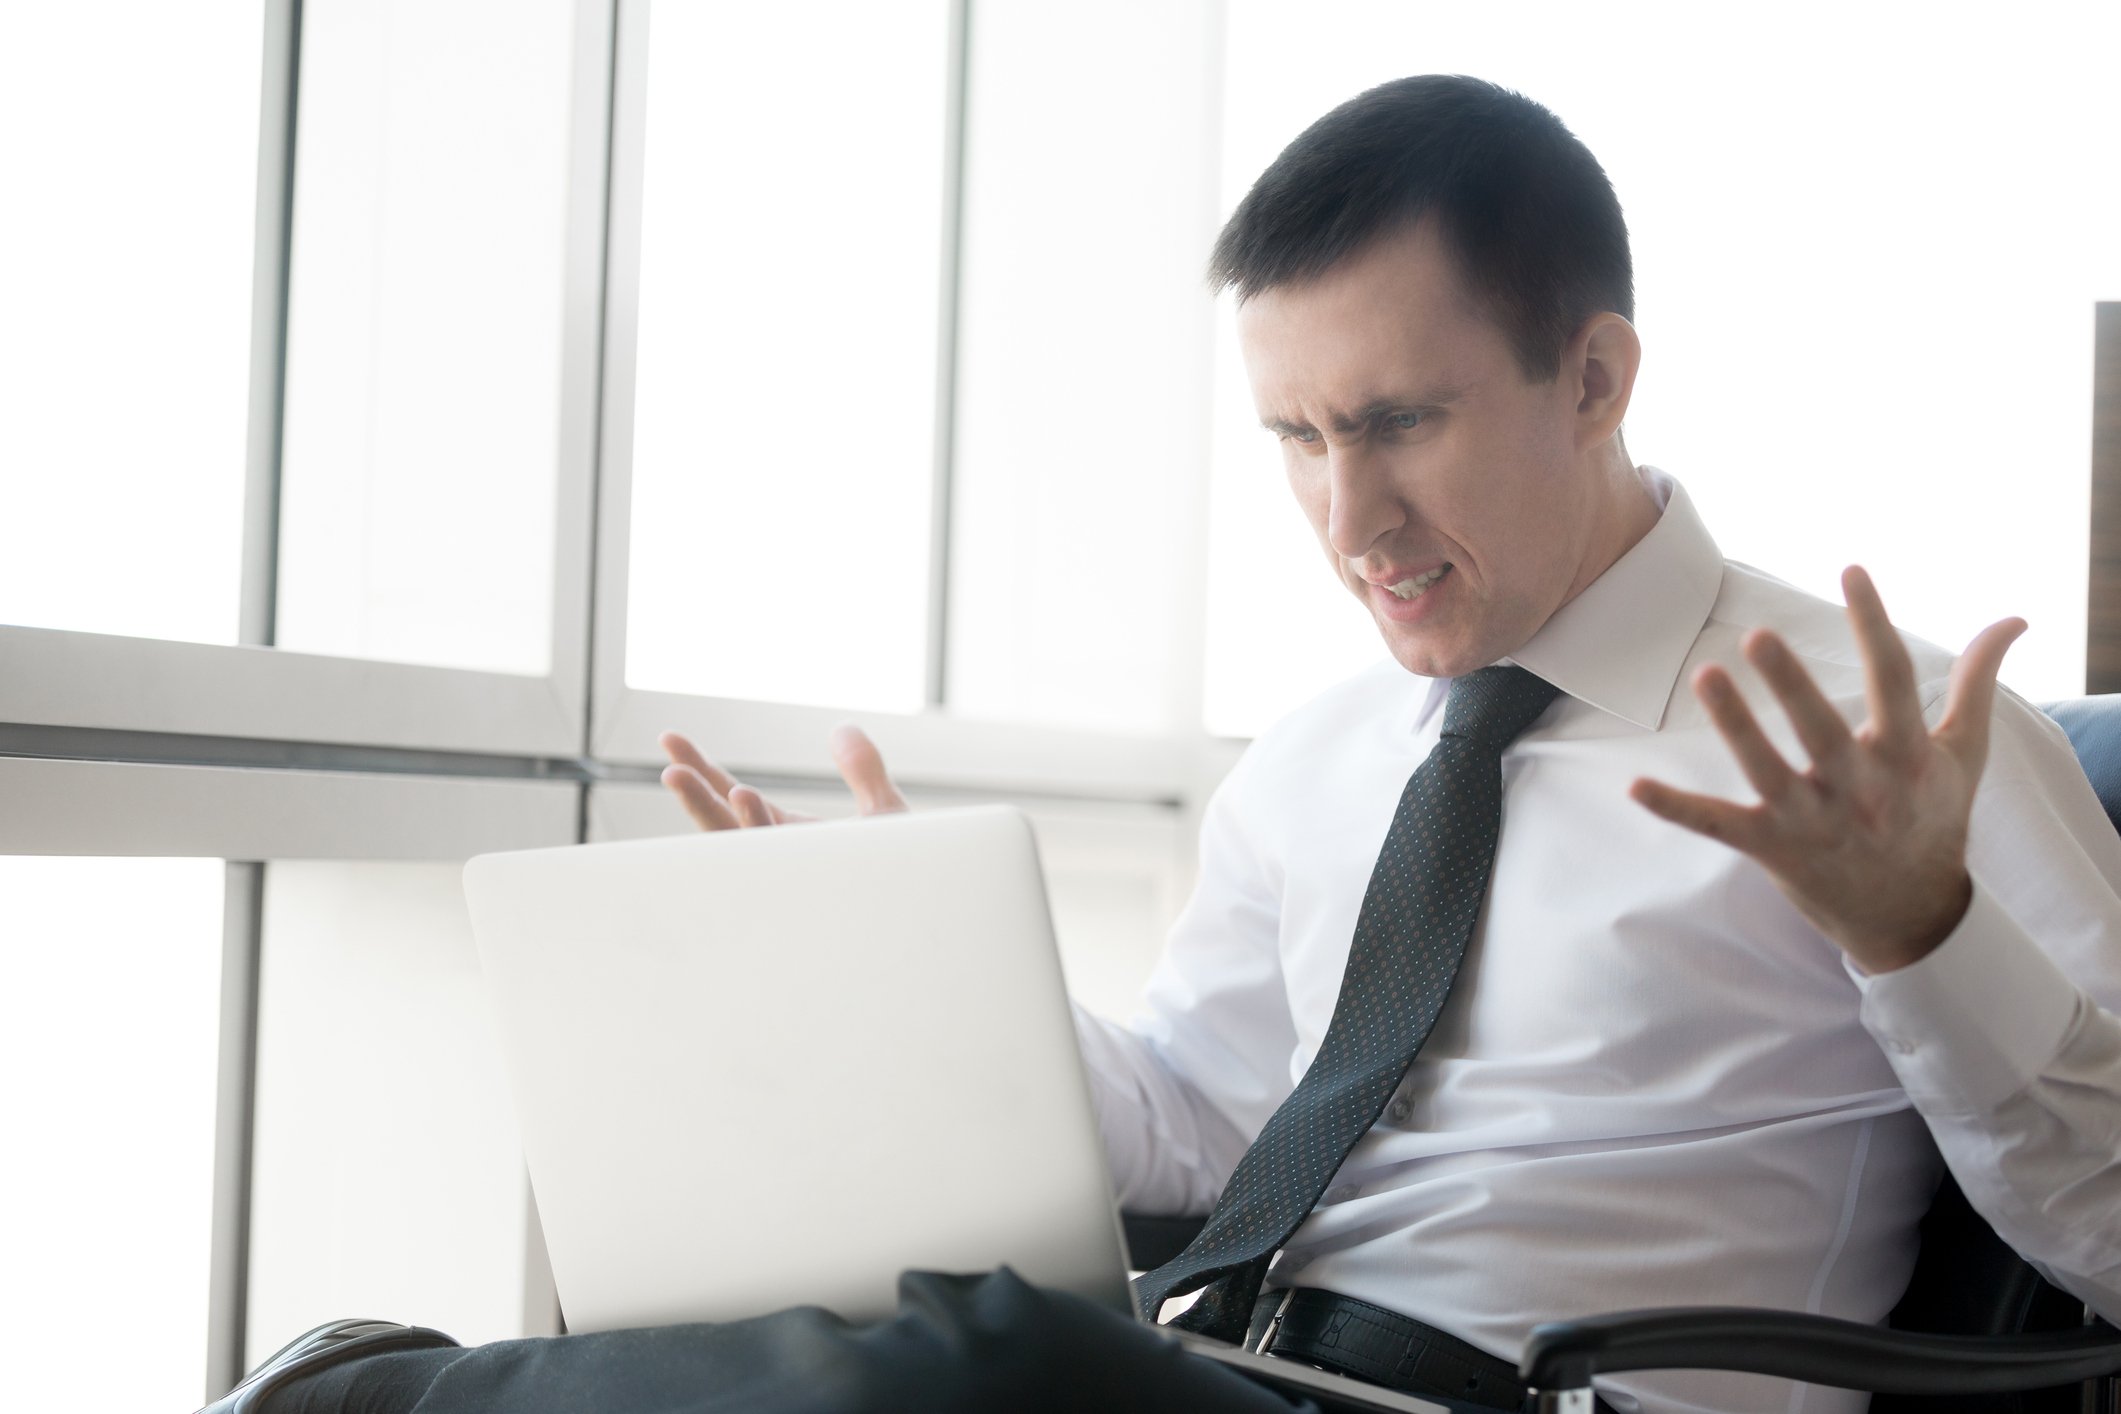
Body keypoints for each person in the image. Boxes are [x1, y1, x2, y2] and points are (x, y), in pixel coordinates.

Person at [221, 74, 2121, 1414]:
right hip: (1224, 1354)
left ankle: (354, 1401)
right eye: (1295, 438)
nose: (1346, 514)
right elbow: (1206, 1118)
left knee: (1010, 1361)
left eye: (1396, 419)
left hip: (1525, 1399)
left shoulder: (1892, 744)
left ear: (1597, 375)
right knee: (969, 1324)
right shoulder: (1321, 758)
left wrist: (1917, 923)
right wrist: (889, 968)